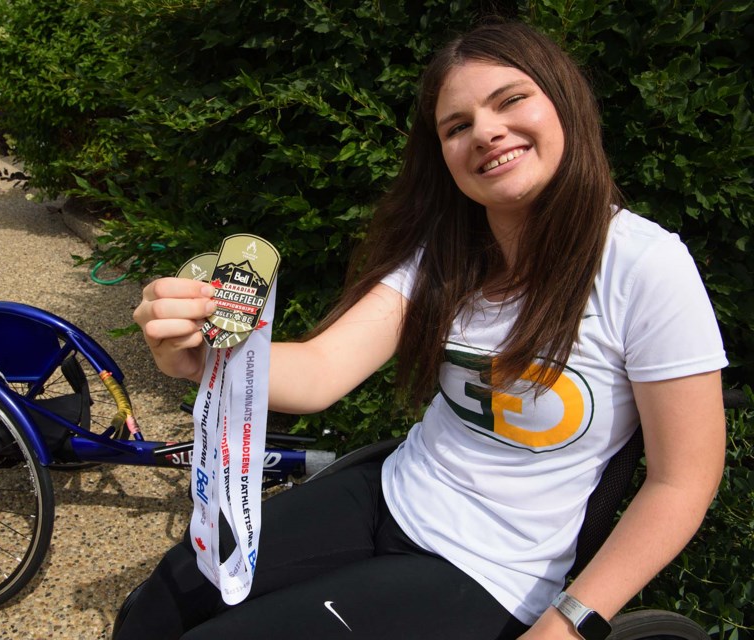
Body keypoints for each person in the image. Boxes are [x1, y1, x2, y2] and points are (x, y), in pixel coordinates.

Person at [122, 19, 727, 640]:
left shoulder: (646, 266)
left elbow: (682, 481)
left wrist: (569, 622)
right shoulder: (448, 252)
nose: (486, 132)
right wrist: (207, 360)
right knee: (158, 604)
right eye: (457, 126)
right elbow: (323, 370)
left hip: (493, 570)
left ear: (565, 103)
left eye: (511, 99)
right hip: (391, 492)